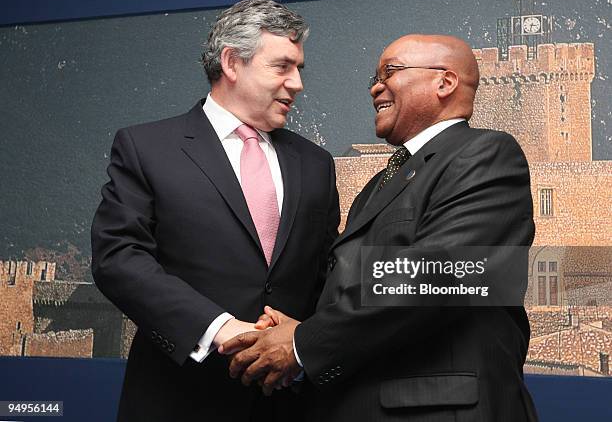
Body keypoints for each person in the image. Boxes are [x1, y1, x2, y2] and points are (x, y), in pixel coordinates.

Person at [221, 34, 539, 421]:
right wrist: (295, 325)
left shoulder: (486, 154)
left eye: (390, 72)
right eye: (375, 75)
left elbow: (442, 274)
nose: (375, 86)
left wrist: (303, 342)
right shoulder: (381, 184)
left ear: (445, 82)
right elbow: (355, 282)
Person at [90, 0, 339, 422]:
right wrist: (221, 327)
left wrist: (303, 344)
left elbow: (326, 275)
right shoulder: (147, 148)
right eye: (282, 66)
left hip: (290, 406)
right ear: (231, 62)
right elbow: (119, 258)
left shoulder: (316, 163)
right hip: (177, 400)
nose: (296, 83)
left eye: (299, 69)